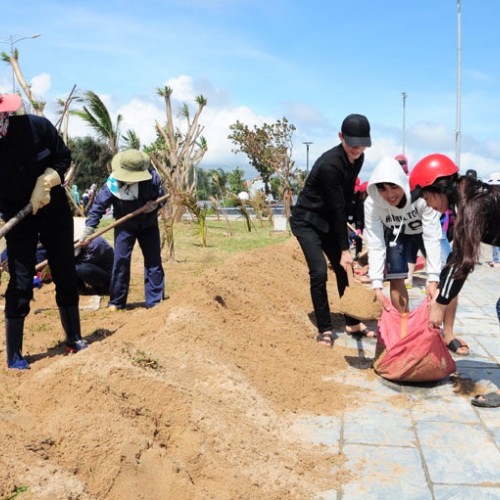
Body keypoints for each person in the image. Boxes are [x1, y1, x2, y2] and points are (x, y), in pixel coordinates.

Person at [0, 93, 87, 369]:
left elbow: (63, 157)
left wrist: (48, 180)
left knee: (64, 270)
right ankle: (14, 354)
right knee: (21, 281)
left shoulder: (38, 127)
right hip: (18, 216)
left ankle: (73, 337)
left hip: (53, 208)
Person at [410, 153, 500, 407]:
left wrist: (440, 303)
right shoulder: (466, 199)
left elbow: (464, 262)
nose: (427, 204)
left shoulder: (472, 204)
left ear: (440, 187)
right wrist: (438, 288)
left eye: (427, 197)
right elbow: (456, 257)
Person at [365, 157, 465, 353]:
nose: (389, 194)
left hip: (426, 231)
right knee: (395, 279)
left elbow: (431, 236)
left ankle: (449, 334)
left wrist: (433, 278)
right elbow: (375, 242)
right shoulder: (372, 204)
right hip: (397, 234)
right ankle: (406, 334)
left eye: (393, 187)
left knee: (450, 276)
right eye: (382, 189)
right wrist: (376, 283)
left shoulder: (421, 195)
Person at [290, 113, 374, 346]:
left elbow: (345, 198)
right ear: (340, 137)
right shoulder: (329, 165)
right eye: (353, 144)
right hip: (307, 222)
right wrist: (345, 247)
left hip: (328, 221)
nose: (357, 149)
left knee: (342, 268)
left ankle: (352, 320)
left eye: (362, 144)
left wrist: (344, 247)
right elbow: (337, 206)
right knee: (319, 271)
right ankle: (325, 328)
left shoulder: (358, 159)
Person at [80, 149, 165, 310]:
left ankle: (155, 302)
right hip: (124, 226)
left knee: (153, 261)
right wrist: (89, 228)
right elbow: (99, 205)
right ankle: (117, 301)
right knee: (121, 261)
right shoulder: (113, 182)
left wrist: (155, 205)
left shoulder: (152, 177)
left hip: (149, 225)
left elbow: (161, 196)